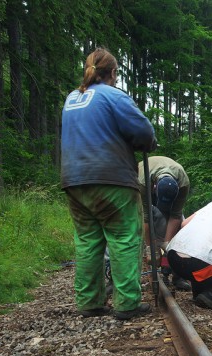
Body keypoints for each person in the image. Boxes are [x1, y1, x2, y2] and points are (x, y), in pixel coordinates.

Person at [61, 47, 156, 320]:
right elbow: (143, 131)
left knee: (88, 241)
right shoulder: (113, 95)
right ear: (113, 73)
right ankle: (127, 304)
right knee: (124, 237)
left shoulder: (71, 98)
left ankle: (90, 302)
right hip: (110, 178)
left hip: (73, 180)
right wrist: (147, 143)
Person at [138, 156, 191, 291]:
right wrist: (151, 248)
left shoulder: (183, 182)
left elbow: (176, 215)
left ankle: (177, 275)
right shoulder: (143, 181)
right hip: (142, 189)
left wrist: (168, 244)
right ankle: (129, 277)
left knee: (180, 231)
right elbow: (146, 217)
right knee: (138, 227)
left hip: (165, 184)